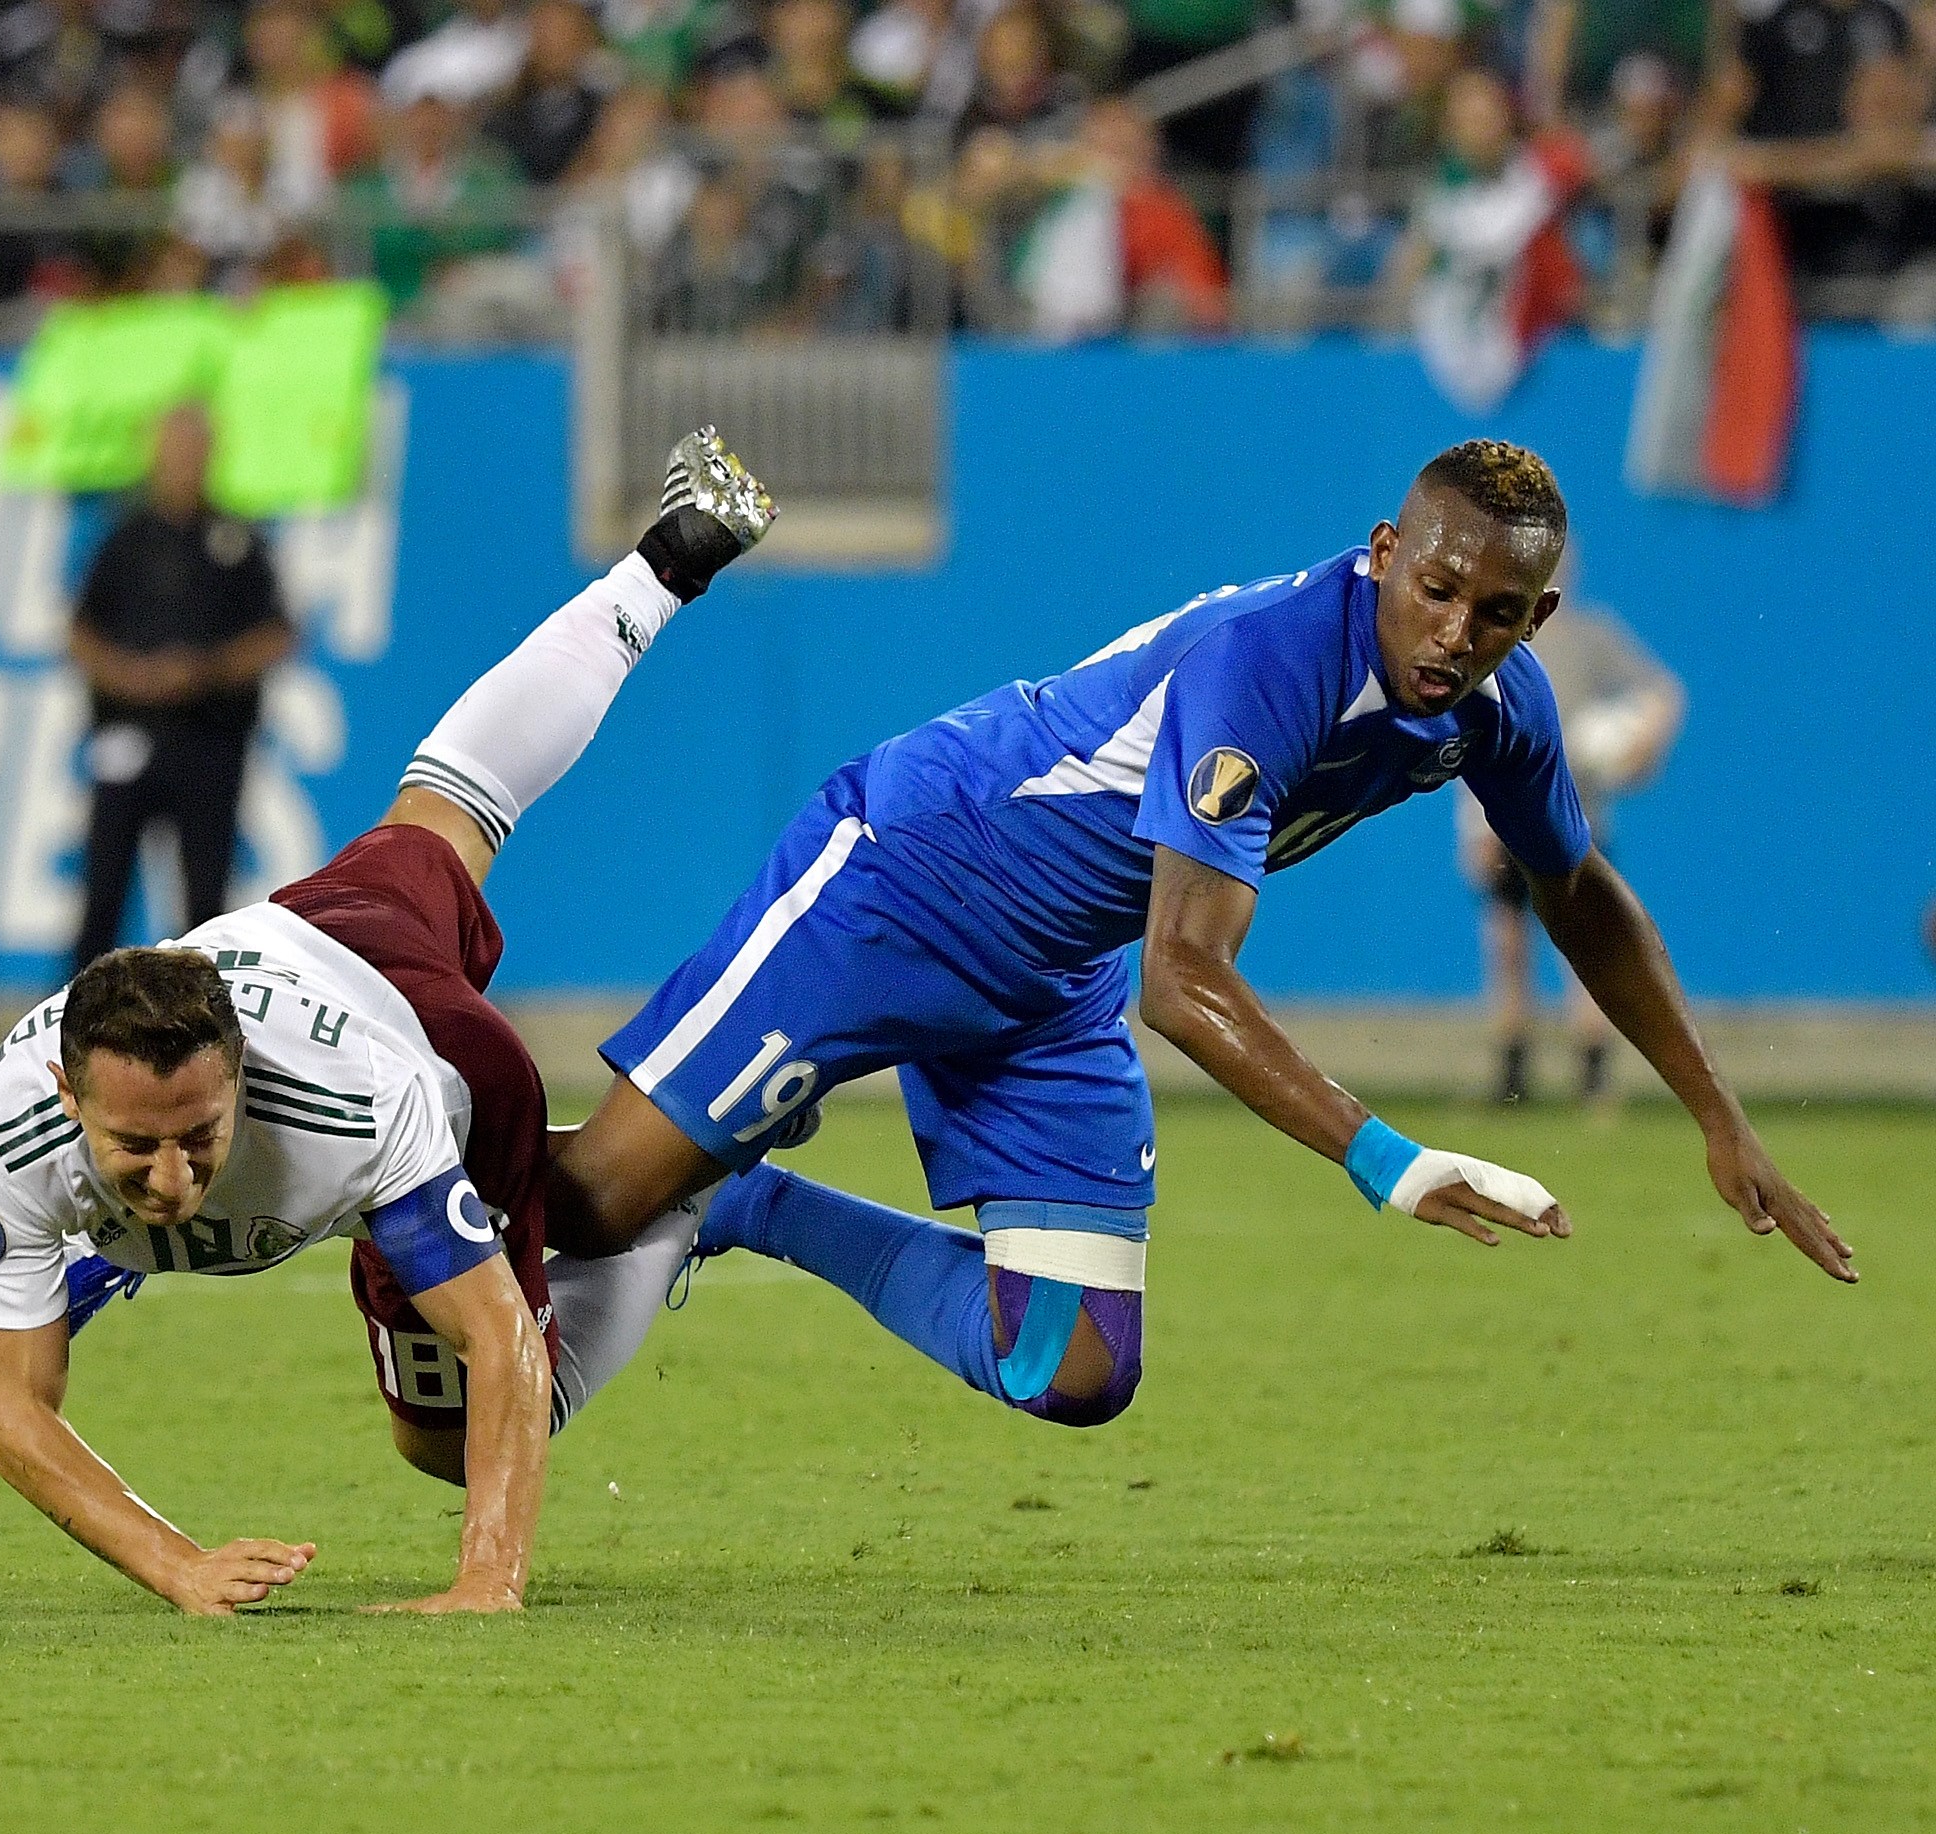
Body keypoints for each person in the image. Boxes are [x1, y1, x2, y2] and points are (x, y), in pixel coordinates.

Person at [532, 441, 1854, 1448]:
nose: (1459, 633)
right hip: (902, 880)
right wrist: (1380, 1156)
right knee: (590, 1203)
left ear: (1539, 618)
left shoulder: (1497, 708)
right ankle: (393, 1140)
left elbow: (1580, 891)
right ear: (1387, 550)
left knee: (1070, 1365)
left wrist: (1717, 1111)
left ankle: (750, 1198)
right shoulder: (1270, 665)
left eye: (1499, 612)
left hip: (1050, 977)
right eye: (1439, 588)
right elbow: (1185, 980)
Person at [0, 429, 776, 1616]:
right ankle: (665, 566)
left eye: (200, 1138)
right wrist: (177, 1566)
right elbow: (9, 1406)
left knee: (452, 1434)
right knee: (452, 798)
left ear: (242, 1076)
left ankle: (681, 1198)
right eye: (138, 1147)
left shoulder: (352, 1119)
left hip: (438, 1058)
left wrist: (486, 1580)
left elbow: (497, 1340)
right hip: (314, 931)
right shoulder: (3, 1130)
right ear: (69, 1097)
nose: (175, 1175)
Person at [66, 405, 296, 974]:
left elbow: (276, 634)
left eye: (194, 450)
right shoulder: (127, 539)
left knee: (205, 905)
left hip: (208, 743)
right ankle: (74, 1029)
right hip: (127, 734)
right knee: (103, 896)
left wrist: (203, 672)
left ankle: (200, 1032)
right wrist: (128, 675)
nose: (183, 464)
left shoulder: (235, 541)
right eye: (174, 449)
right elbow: (80, 630)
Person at [1459, 571, 1685, 1105]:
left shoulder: (1590, 635)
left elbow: (1663, 692)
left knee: (1584, 949)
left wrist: (1643, 746)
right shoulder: (1493, 638)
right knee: (1508, 947)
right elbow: (1469, 733)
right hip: (1502, 816)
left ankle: (1594, 1076)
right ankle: (1512, 1078)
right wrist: (1472, 824)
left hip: (1575, 817)